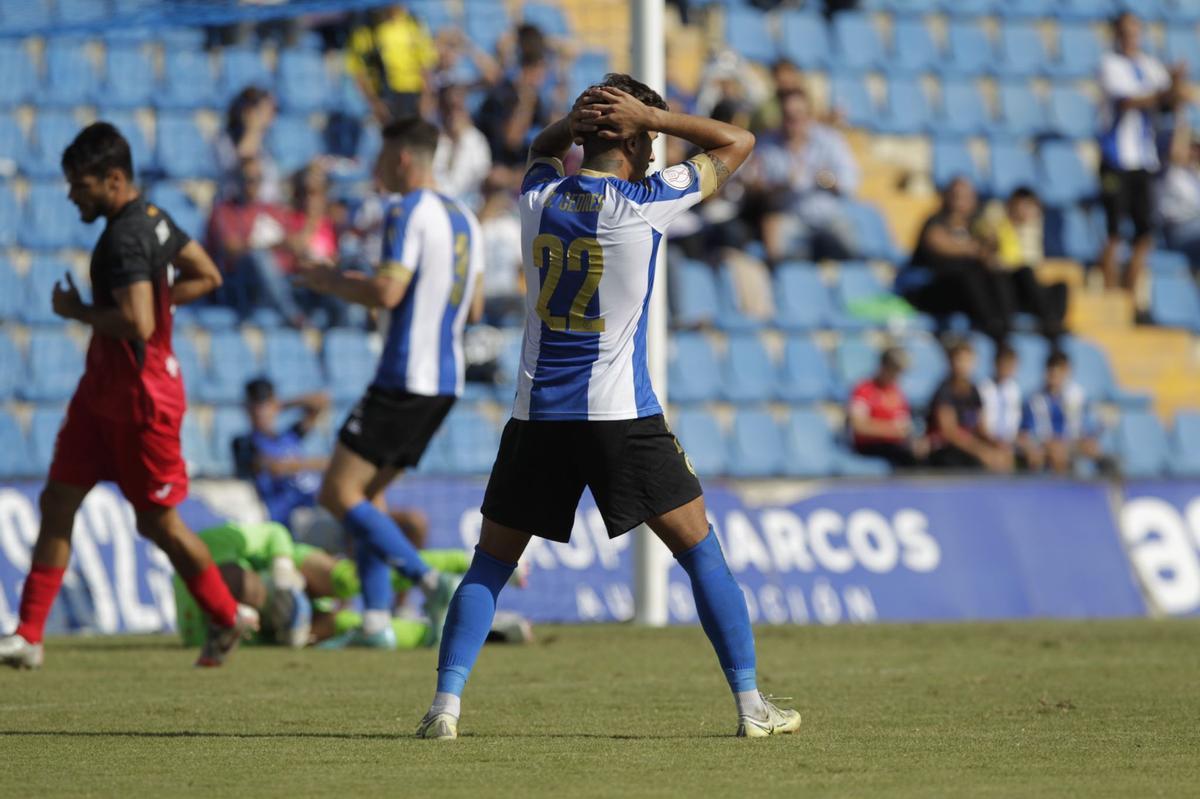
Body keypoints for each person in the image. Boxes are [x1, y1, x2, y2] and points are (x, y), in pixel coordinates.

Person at [416, 74, 800, 741]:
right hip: (621, 417)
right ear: (637, 142)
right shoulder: (644, 203)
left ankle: (444, 708)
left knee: (491, 564)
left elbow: (540, 148)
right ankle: (750, 705)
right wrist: (654, 117)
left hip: (537, 418)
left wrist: (576, 122)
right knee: (701, 552)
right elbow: (739, 141)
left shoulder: (536, 199)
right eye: (647, 139)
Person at [0, 123, 257, 670]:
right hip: (100, 396)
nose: (72, 195)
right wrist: (160, 304)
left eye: (81, 185)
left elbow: (139, 324)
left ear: (114, 179)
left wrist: (78, 312)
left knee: (158, 523)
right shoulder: (154, 218)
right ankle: (29, 635)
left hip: (142, 402)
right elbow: (207, 275)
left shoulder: (123, 239)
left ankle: (225, 614)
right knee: (57, 501)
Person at [293, 118, 486, 649]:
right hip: (446, 381)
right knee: (369, 496)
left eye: (381, 157)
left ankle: (427, 579)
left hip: (404, 374)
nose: (376, 169)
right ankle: (376, 622)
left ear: (401, 157)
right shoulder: (466, 218)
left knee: (337, 492)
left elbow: (388, 293)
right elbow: (474, 307)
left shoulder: (405, 210)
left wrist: (330, 280)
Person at [174, 520, 532, 651]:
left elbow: (273, 534)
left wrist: (281, 571)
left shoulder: (210, 545)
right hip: (277, 626)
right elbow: (254, 648)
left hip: (289, 567)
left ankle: (474, 563)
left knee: (349, 579)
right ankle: (488, 631)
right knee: (356, 629)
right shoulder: (198, 633)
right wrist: (289, 636)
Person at [1096, 11, 1188, 291]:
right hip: (1116, 160)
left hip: (1144, 161)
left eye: (1134, 32)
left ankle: (1129, 294)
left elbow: (1170, 100)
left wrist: (1176, 83)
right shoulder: (1110, 64)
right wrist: (1167, 90)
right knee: (1114, 233)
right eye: (1125, 32)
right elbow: (1129, 101)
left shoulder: (1150, 65)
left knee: (1144, 234)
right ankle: (1110, 294)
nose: (1130, 38)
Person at [748, 88, 859, 262]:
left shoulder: (830, 140)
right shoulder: (766, 145)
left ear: (808, 116)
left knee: (850, 248)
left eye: (798, 115)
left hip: (828, 218)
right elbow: (753, 188)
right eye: (788, 116)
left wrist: (827, 181)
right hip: (789, 217)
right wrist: (781, 186)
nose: (793, 121)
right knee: (774, 237)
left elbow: (849, 184)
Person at [900, 177, 1013, 343]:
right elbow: (939, 244)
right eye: (956, 195)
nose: (960, 201)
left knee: (998, 275)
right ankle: (992, 328)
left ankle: (1005, 326)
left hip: (963, 294)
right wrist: (973, 248)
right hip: (930, 289)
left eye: (966, 196)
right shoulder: (936, 222)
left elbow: (989, 254)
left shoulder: (976, 226)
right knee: (970, 276)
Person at [207, 156, 307, 327]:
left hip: (282, 280)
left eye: (258, 179)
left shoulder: (271, 209)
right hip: (241, 285)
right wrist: (268, 244)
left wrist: (286, 242)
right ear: (237, 180)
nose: (252, 185)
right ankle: (292, 315)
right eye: (248, 179)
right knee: (259, 256)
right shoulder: (224, 211)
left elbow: (296, 243)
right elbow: (231, 248)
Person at [233, 378, 330, 526]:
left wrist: (282, 405)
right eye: (256, 405)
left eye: (266, 404)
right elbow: (275, 467)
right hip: (286, 513)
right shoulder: (245, 443)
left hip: (314, 502)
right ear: (247, 408)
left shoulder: (289, 436)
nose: (261, 411)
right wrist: (327, 463)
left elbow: (321, 401)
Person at [978, 187, 1067, 342]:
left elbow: (1034, 262)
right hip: (1006, 283)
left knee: (1061, 286)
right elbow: (992, 256)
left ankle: (1052, 324)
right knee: (1023, 272)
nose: (1026, 211)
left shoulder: (1031, 230)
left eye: (1031, 206)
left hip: (1027, 287)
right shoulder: (997, 221)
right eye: (1024, 205)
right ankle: (1009, 324)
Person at [926, 341, 1013, 473]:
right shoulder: (944, 391)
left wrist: (998, 445)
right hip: (946, 451)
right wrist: (981, 451)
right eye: (959, 360)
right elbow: (949, 432)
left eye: (967, 360)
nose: (963, 365)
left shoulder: (974, 390)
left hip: (970, 447)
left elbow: (981, 428)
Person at [1018, 352, 1107, 475]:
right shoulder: (1035, 399)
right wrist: (1043, 443)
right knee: (1056, 453)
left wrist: (1096, 431)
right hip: (1044, 444)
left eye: (1059, 372)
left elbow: (1086, 428)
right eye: (1051, 372)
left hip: (1071, 443)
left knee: (1093, 448)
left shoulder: (1077, 396)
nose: (1055, 376)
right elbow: (1027, 432)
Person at [346, 6, 438, 123]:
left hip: (414, 93)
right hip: (383, 96)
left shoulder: (413, 23)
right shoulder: (363, 29)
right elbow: (358, 71)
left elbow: (426, 64)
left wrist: (426, 96)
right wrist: (374, 102)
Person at [475, 38, 555, 170]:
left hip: (520, 166)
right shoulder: (500, 95)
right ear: (528, 70)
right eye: (540, 71)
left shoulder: (537, 99)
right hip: (495, 164)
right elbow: (511, 140)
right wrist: (526, 102)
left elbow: (548, 130)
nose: (543, 78)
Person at [847, 348, 926, 468]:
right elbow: (858, 425)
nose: (897, 377)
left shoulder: (897, 392)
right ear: (884, 367)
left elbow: (904, 423)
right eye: (894, 371)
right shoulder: (864, 389)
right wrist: (892, 430)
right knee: (907, 458)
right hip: (871, 446)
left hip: (896, 446)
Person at [215, 86, 281, 204]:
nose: (270, 117)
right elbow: (234, 171)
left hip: (265, 207)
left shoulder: (267, 146)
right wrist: (251, 133)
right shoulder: (224, 142)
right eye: (265, 110)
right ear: (248, 112)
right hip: (234, 206)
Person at [432, 83, 493, 209]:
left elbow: (482, 178)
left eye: (457, 108)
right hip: (435, 204)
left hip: (468, 206)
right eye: (448, 107)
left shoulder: (476, 140)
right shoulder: (433, 137)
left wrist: (459, 141)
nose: (452, 113)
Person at [1159, 110, 1200, 265]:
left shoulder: (1195, 173)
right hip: (1178, 230)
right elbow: (1176, 153)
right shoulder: (1172, 171)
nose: (1195, 152)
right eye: (1192, 146)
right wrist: (1182, 112)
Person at [977, 343, 1025, 451]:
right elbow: (981, 423)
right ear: (996, 363)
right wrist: (994, 441)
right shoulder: (983, 388)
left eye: (1011, 365)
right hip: (988, 441)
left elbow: (1016, 422)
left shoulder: (1015, 389)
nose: (1008, 369)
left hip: (1010, 442)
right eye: (1005, 364)